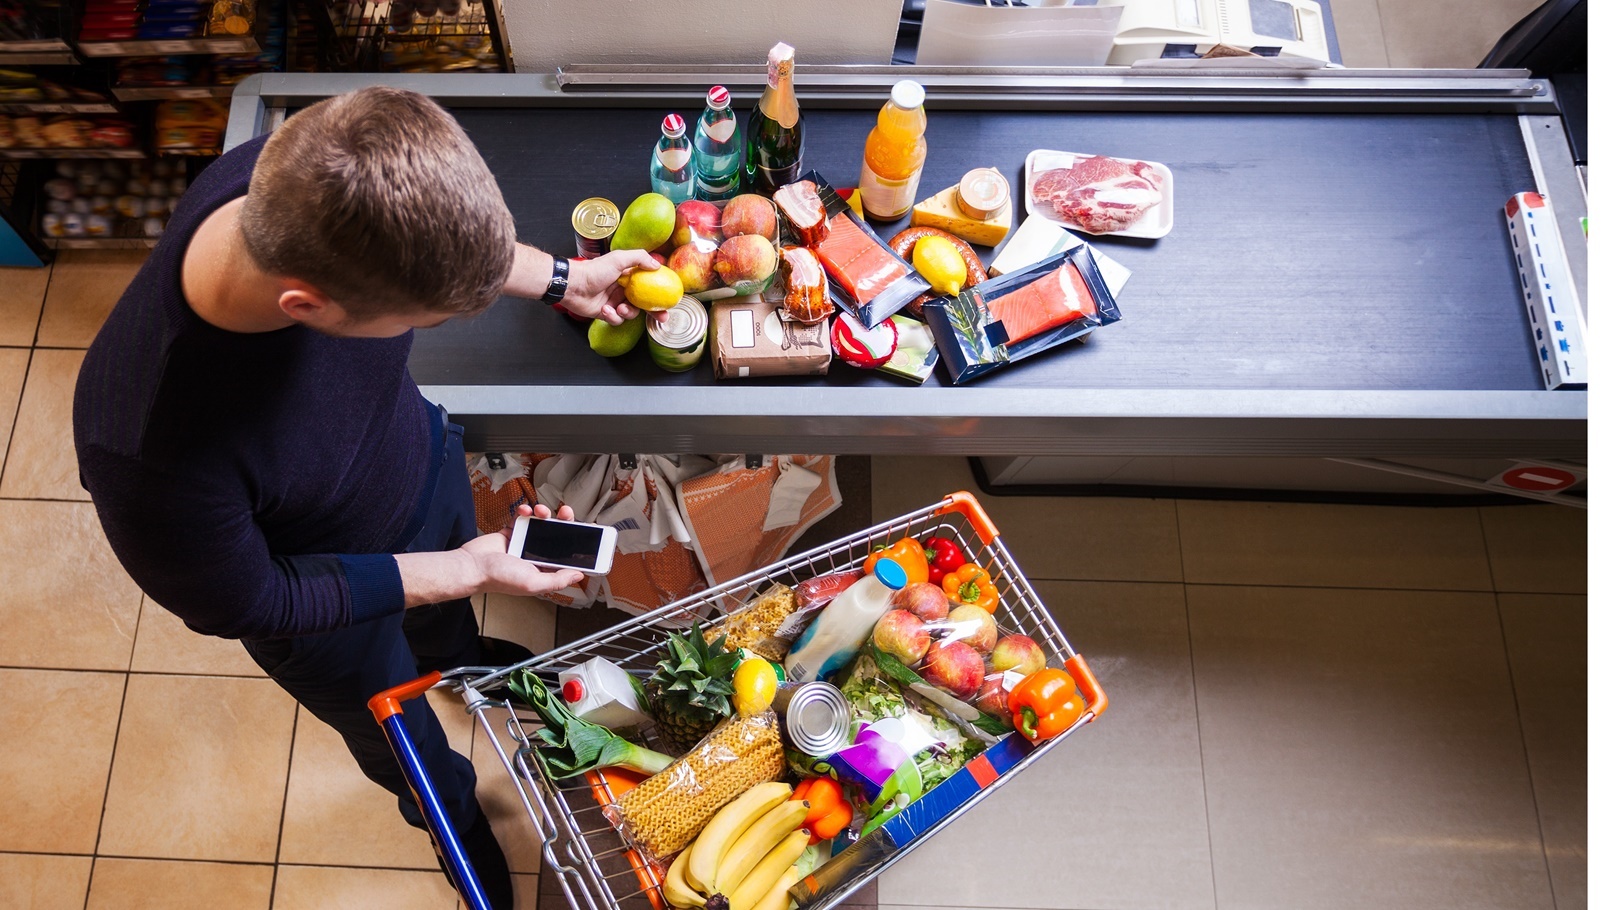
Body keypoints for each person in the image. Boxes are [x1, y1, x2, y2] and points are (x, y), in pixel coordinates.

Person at [71, 86, 657, 910]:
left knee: (446, 631)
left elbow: (447, 246)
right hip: (328, 608)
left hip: (416, 463)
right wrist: (462, 569)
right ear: (307, 307)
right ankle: (454, 824)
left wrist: (564, 278)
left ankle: (456, 660)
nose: (437, 327)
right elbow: (251, 600)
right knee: (403, 742)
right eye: (429, 321)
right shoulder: (150, 450)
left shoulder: (300, 174)